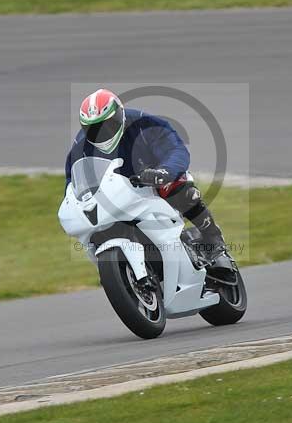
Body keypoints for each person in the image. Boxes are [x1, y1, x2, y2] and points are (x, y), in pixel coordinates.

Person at [65, 88, 236, 280]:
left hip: (152, 180)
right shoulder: (81, 146)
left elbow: (176, 150)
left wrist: (164, 172)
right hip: (117, 194)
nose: (100, 134)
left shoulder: (145, 125)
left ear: (120, 115)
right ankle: (121, 273)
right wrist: (73, 200)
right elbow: (72, 179)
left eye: (107, 126)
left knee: (177, 187)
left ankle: (213, 240)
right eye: (93, 129)